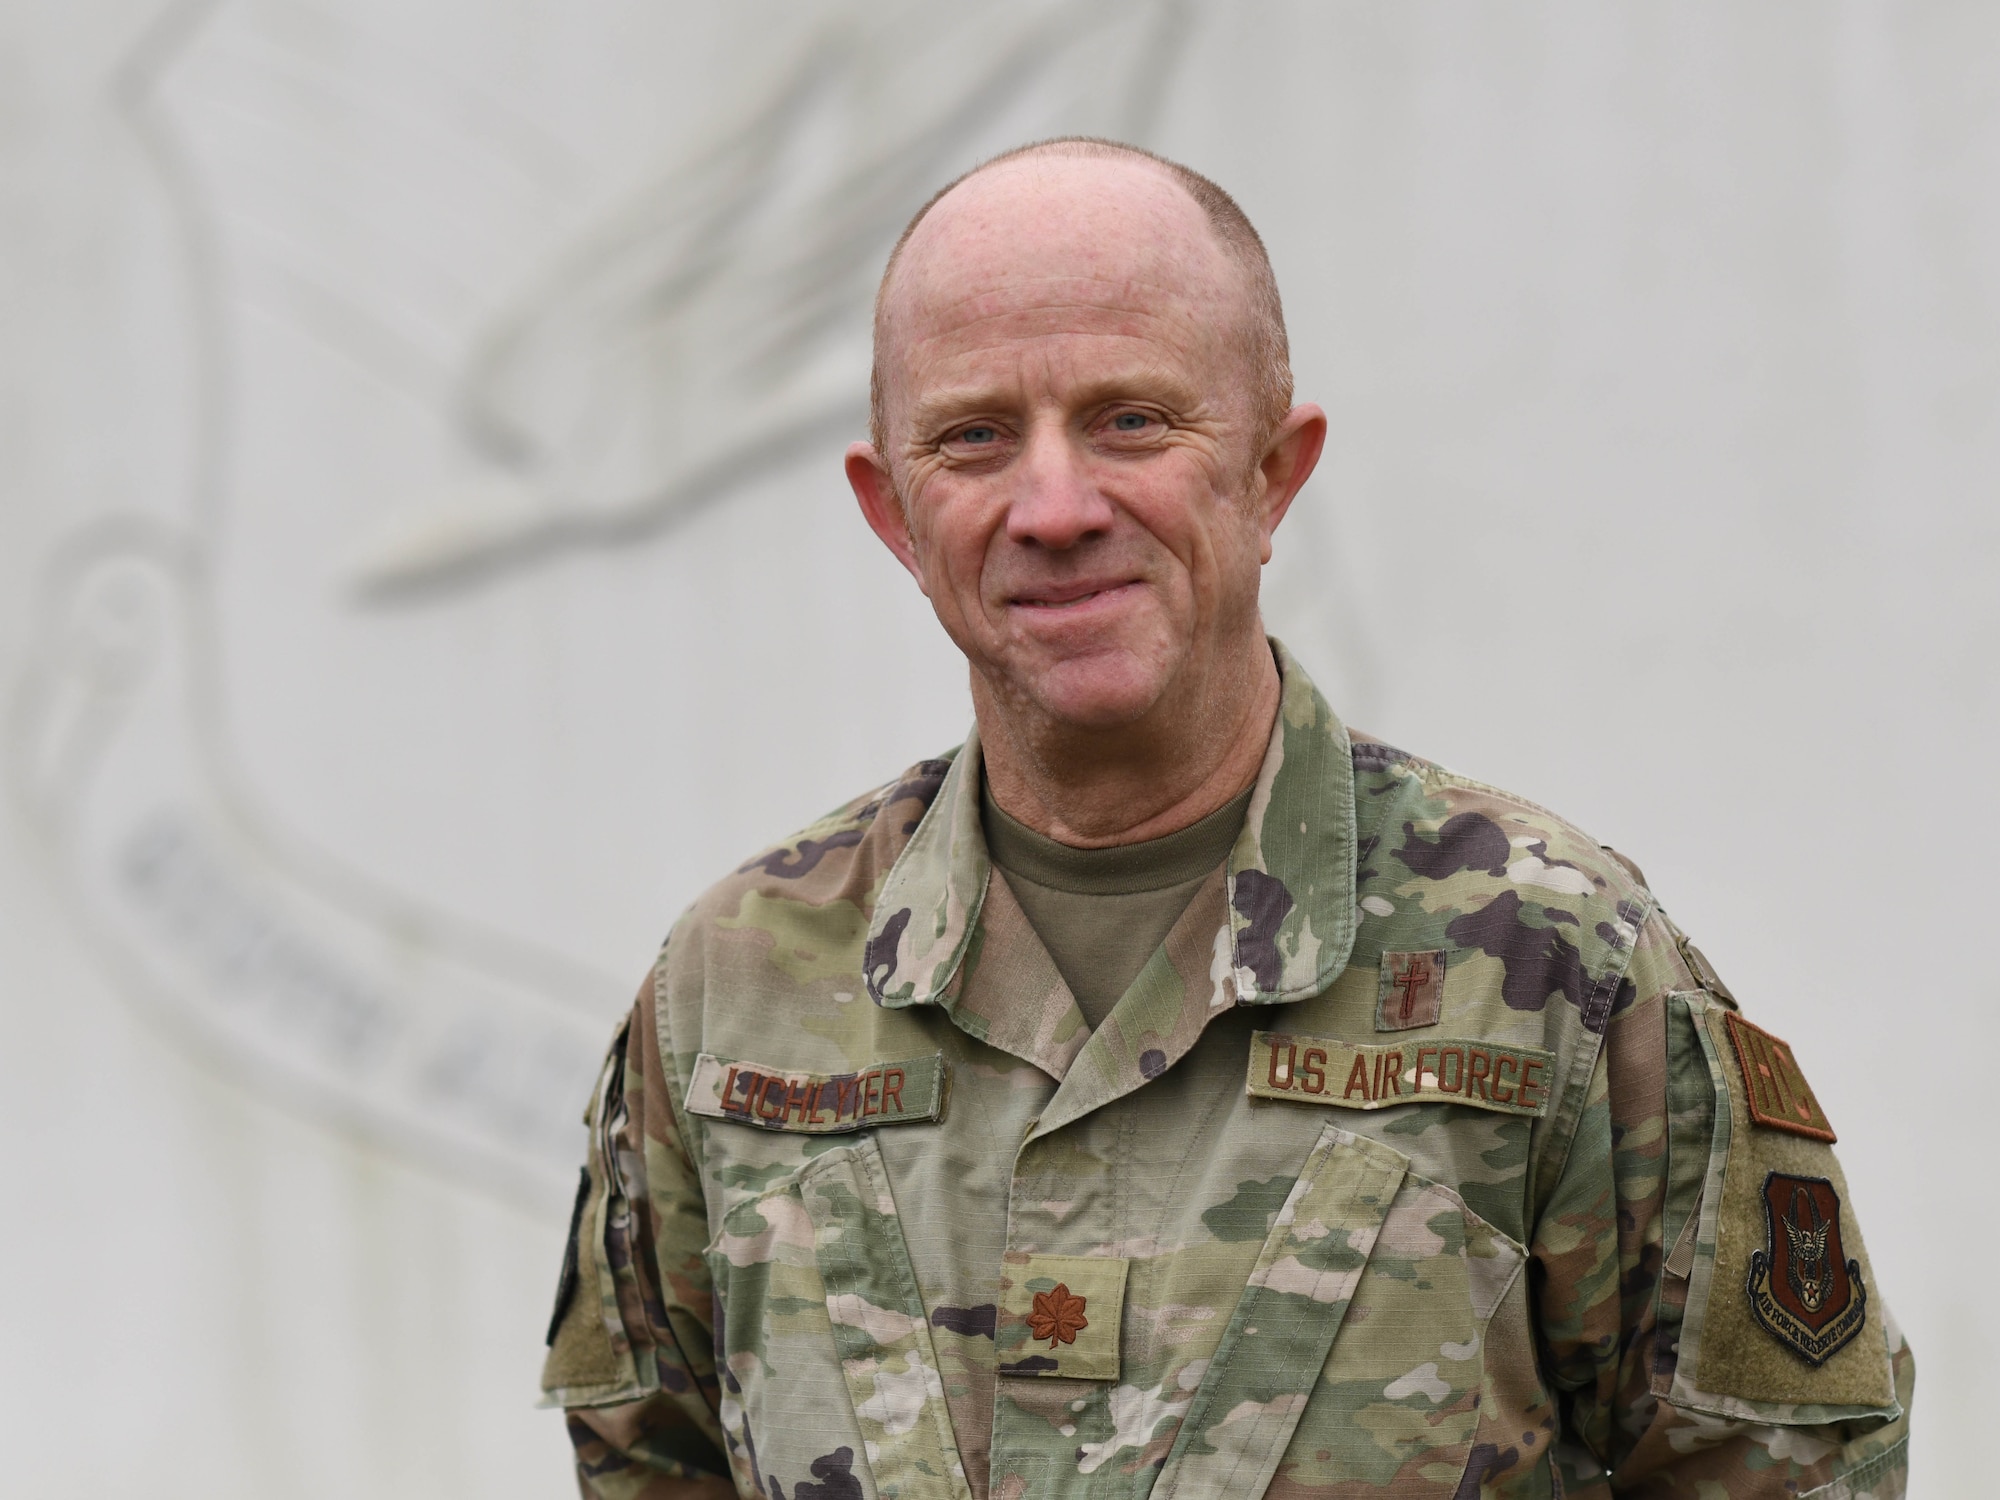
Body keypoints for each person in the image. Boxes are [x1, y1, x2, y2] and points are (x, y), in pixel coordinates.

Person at [539, 138, 1912, 1500]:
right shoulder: (734, 992)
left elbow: (1787, 1477)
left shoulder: (1549, 964)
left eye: (1133, 419)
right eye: (973, 437)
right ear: (892, 512)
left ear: (1272, 474)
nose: (1057, 507)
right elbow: (644, 1464)